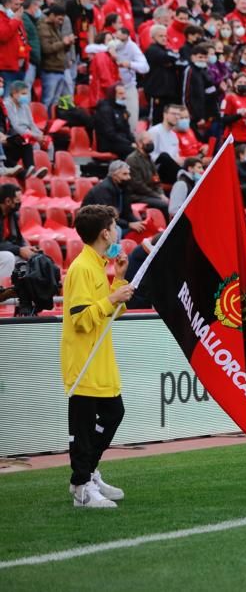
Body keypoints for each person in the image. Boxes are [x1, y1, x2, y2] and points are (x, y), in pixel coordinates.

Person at [61, 204, 134, 508]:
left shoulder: (97, 264)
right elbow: (81, 318)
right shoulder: (81, 267)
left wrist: (117, 281)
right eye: (115, 226)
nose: (117, 232)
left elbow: (107, 313)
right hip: (83, 363)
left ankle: (88, 473)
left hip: (100, 360)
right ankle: (80, 487)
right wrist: (111, 297)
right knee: (82, 428)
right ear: (105, 232)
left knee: (114, 413)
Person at [81, 161, 145, 235]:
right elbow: (106, 215)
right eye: (124, 174)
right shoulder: (103, 189)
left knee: (140, 229)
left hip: (111, 221)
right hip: (93, 223)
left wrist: (137, 222)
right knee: (117, 230)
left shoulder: (124, 187)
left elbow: (127, 212)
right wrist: (128, 224)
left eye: (128, 174)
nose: (129, 177)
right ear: (114, 175)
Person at [124, 131, 169, 218]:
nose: (151, 143)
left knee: (167, 200)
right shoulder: (132, 160)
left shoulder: (149, 157)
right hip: (138, 195)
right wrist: (158, 196)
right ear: (140, 143)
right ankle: (167, 229)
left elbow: (156, 179)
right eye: (149, 141)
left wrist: (161, 194)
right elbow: (138, 185)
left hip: (150, 193)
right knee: (163, 204)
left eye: (152, 141)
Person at [0, 183, 36, 283]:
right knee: (8, 258)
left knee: (31, 259)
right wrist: (19, 250)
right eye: (17, 200)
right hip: (4, 254)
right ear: (7, 201)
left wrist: (28, 249)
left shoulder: (12, 215)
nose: (20, 203)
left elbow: (18, 240)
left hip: (6, 251)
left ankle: (21, 294)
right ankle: (2, 291)